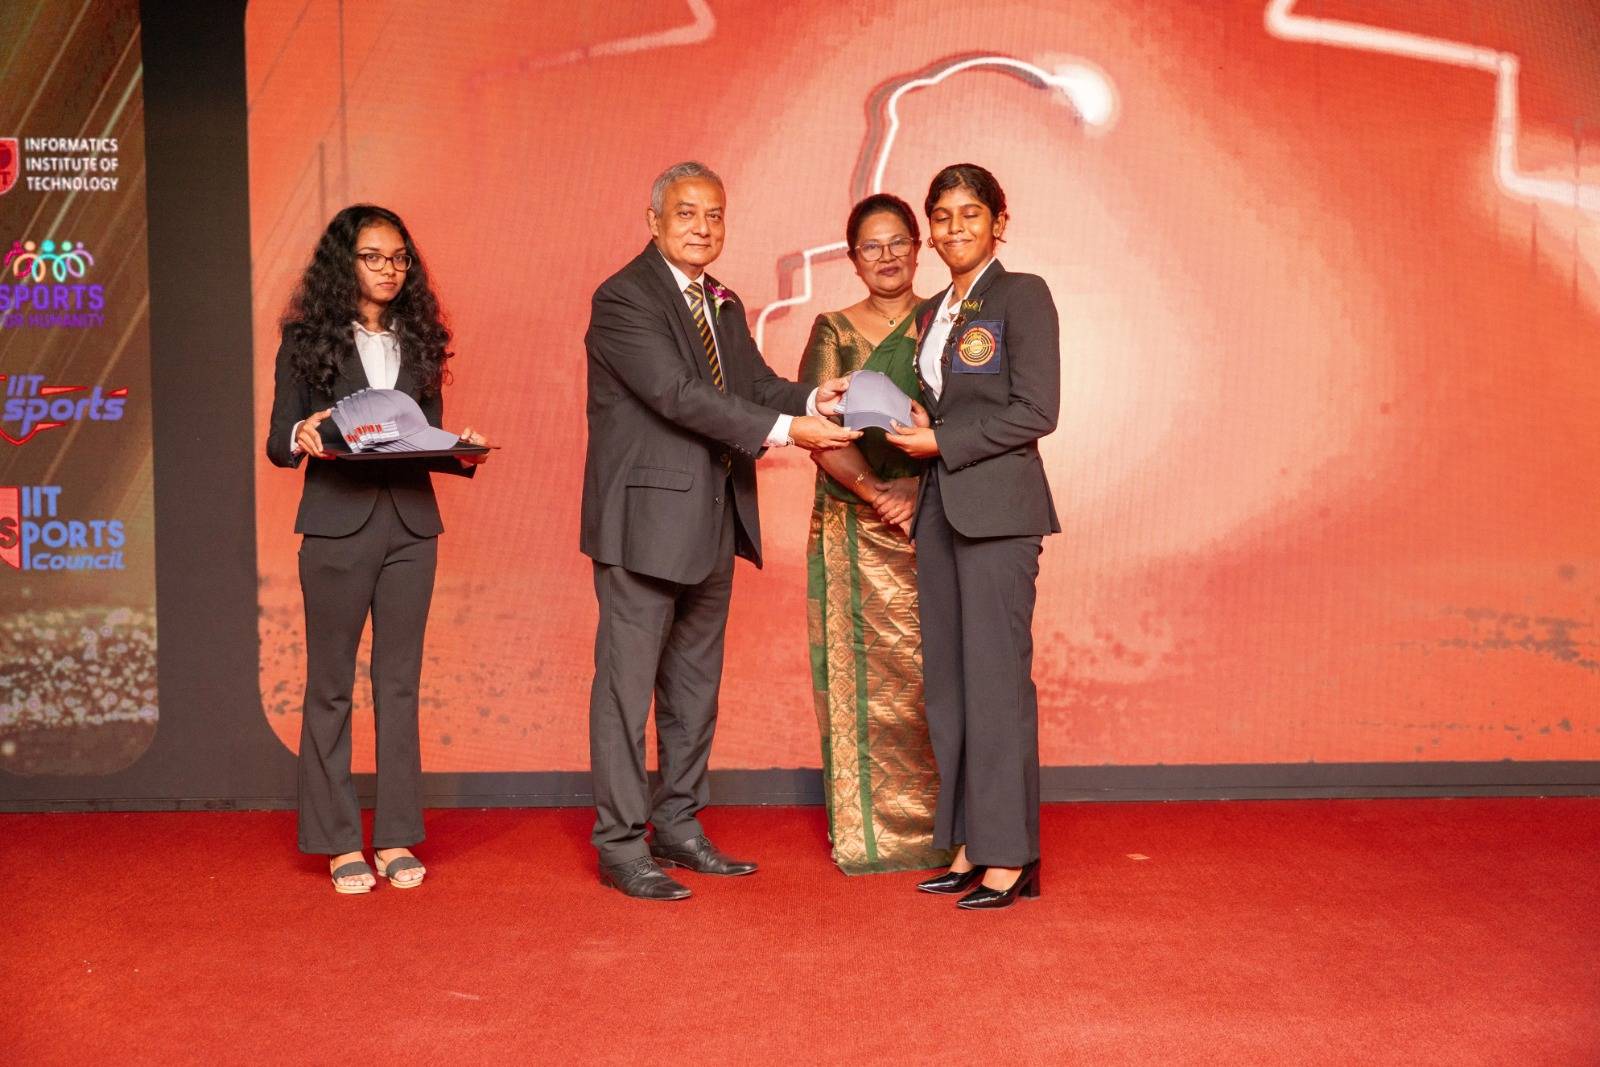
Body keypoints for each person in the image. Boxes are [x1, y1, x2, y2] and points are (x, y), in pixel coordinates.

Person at [582, 161, 859, 900]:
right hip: (644, 526)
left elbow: (752, 383)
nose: (702, 228)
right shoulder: (623, 298)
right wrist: (788, 431)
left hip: (712, 518)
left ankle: (677, 826)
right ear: (653, 221)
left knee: (694, 690)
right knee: (625, 692)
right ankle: (620, 845)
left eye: (714, 215)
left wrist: (815, 399)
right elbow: (677, 394)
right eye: (686, 213)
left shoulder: (722, 302)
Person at [265, 204, 490, 894]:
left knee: (399, 684)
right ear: (345, 263)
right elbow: (278, 440)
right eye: (373, 257)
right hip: (336, 525)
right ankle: (338, 841)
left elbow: (422, 438)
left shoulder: (419, 340)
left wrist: (463, 451)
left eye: (398, 258)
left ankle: (394, 835)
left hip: (412, 528)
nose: (389, 269)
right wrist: (302, 432)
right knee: (330, 685)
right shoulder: (306, 338)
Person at [886, 164, 1061, 909]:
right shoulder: (932, 310)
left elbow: (1037, 410)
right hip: (939, 509)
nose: (955, 228)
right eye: (942, 216)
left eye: (970, 214)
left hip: (999, 514)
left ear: (999, 223)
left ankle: (1010, 855)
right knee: (951, 687)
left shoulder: (1022, 295)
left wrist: (943, 440)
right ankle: (967, 842)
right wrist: (915, 424)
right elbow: (947, 404)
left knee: (994, 684)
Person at [797, 193, 949, 875]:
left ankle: (954, 829)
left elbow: (963, 417)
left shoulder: (946, 322)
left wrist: (917, 492)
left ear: (918, 247)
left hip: (936, 516)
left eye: (898, 243)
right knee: (864, 678)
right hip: (853, 522)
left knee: (939, 674)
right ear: (853, 258)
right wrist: (880, 493)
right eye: (870, 246)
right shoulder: (832, 328)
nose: (886, 256)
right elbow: (818, 429)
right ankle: (872, 835)